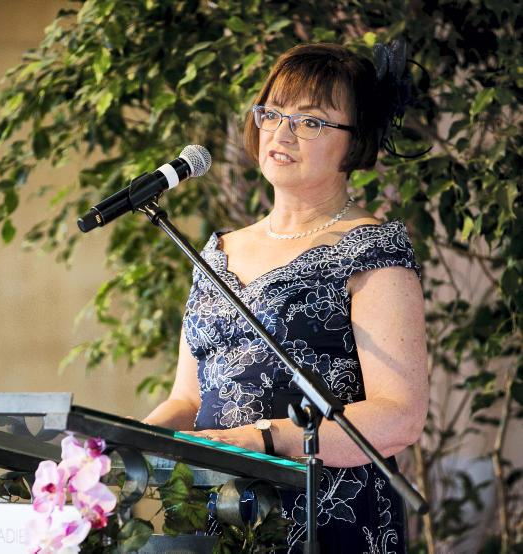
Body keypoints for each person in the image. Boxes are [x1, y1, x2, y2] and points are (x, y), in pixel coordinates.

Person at [143, 43, 428, 553]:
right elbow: (188, 400)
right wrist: (126, 443)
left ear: (355, 141)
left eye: (310, 121)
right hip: (219, 511)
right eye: (272, 113)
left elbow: (398, 416)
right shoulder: (219, 251)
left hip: (328, 513)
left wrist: (264, 439)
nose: (282, 132)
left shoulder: (371, 251)